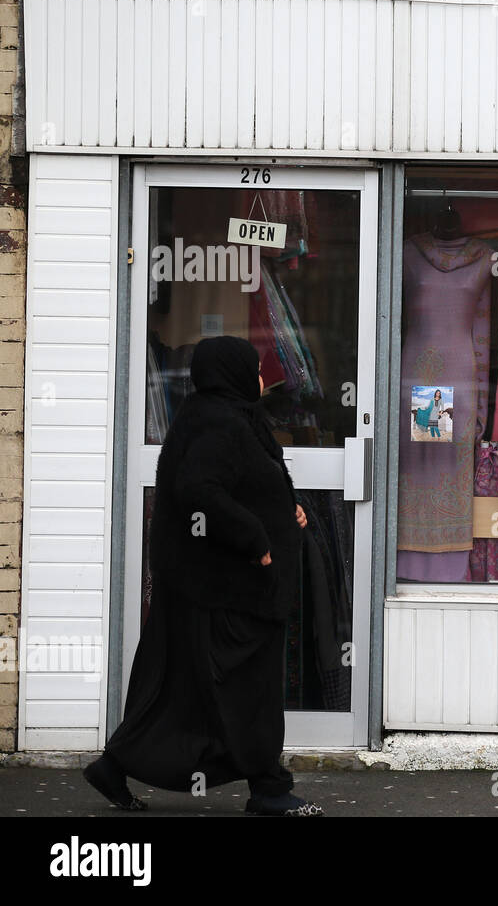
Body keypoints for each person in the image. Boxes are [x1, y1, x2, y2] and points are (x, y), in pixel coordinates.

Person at [83, 336, 323, 816]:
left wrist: (290, 510)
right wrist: (256, 542)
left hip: (214, 588)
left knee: (195, 693)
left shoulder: (227, 416)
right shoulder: (219, 422)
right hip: (225, 590)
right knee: (245, 692)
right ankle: (269, 791)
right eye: (255, 369)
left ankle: (117, 766)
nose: (262, 378)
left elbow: (250, 482)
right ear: (232, 373)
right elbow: (201, 492)